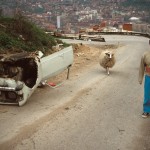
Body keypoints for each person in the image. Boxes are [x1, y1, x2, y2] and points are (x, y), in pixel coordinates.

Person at [139, 51, 150, 118]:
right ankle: (146, 110)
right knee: (147, 94)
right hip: (148, 77)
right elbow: (141, 67)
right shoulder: (145, 55)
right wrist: (140, 78)